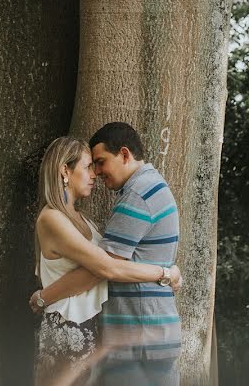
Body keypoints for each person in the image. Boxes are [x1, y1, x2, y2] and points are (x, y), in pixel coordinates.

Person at [32, 123, 182, 385]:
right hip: (80, 329)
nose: (96, 173)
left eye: (98, 163)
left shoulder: (136, 195)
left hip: (139, 335)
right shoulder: (54, 219)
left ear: (124, 155)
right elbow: (106, 267)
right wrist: (166, 273)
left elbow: (106, 267)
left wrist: (44, 297)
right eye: (89, 166)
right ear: (64, 171)